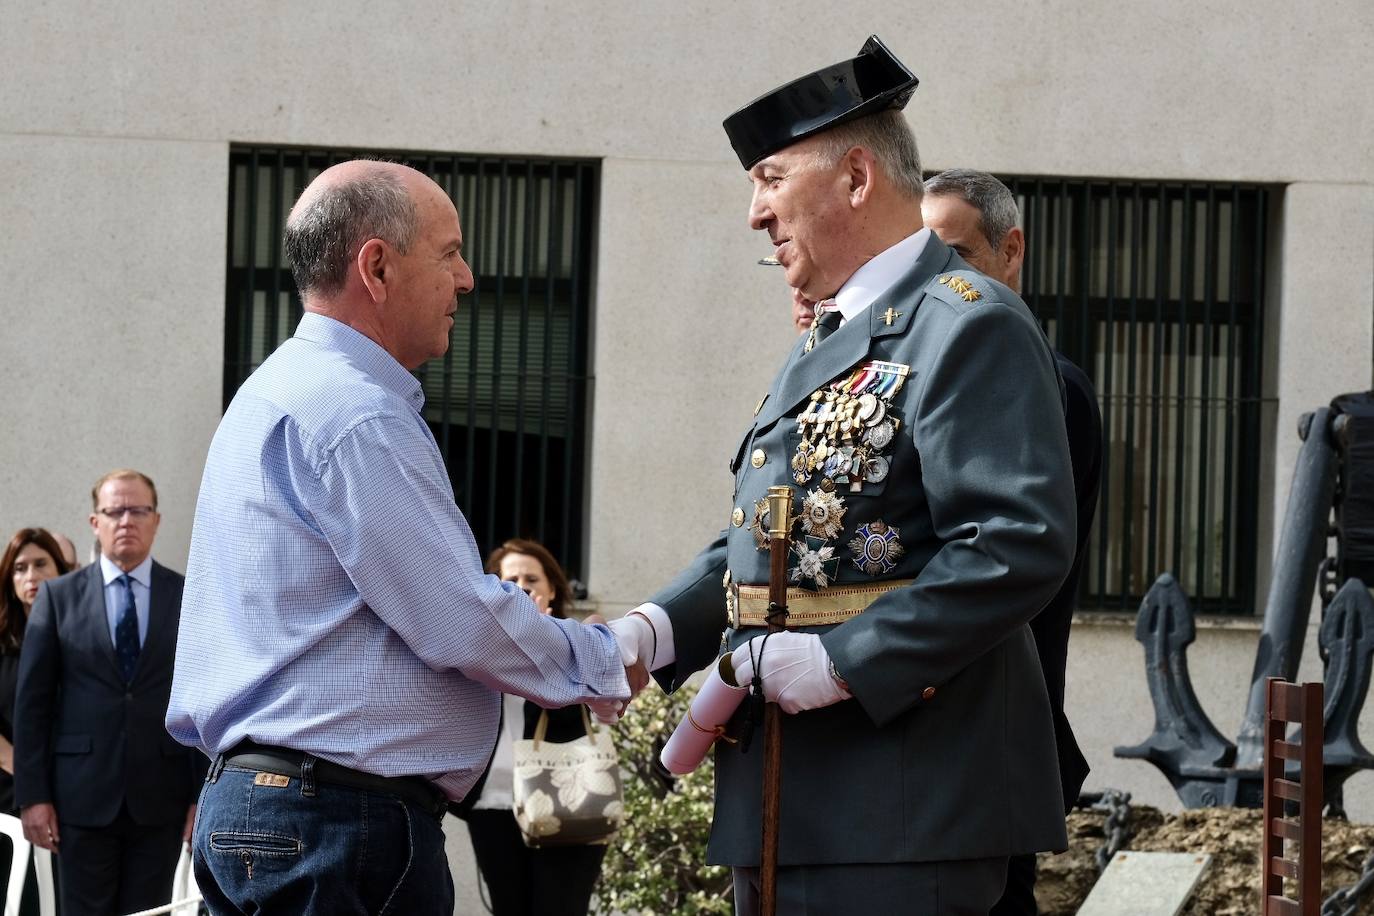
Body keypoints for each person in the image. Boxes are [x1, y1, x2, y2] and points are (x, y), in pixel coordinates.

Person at [607, 37, 1077, 913]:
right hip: (790, 795)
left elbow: (1016, 545)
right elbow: (780, 540)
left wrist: (843, 661)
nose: (755, 213)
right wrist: (654, 631)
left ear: (856, 178)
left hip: (900, 803)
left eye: (771, 178)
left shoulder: (966, 324)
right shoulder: (831, 336)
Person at [166, 160, 632, 916]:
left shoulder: (280, 391)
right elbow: (459, 620)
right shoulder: (357, 415)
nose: (470, 278)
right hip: (336, 824)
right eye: (450, 252)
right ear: (376, 266)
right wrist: (606, 657)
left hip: (271, 808)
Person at [922, 168, 1103, 915]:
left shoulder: (1040, 385)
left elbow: (994, 561)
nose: (938, 284)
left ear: (1010, 251)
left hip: (985, 756)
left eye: (955, 256)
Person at [15, 470, 202, 916]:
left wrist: (201, 794)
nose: (127, 521)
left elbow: (200, 701)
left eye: (138, 510)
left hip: (161, 796)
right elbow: (33, 705)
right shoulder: (58, 598)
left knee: (150, 911)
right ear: (94, 521)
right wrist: (33, 797)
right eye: (114, 511)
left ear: (156, 520)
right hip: (80, 797)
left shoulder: (187, 595)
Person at [459, 539, 611, 916]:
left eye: (532, 578)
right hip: (493, 804)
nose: (523, 586)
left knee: (560, 907)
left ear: (552, 589)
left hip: (566, 798)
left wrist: (540, 639)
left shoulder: (574, 642)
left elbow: (571, 718)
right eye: (511, 579)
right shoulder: (474, 649)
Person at [0, 528, 72, 813]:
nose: (31, 575)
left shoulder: (82, 640)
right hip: (9, 787)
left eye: (41, 564)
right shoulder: (2, 644)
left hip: (74, 785)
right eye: (20, 568)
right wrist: (31, 777)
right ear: (10, 580)